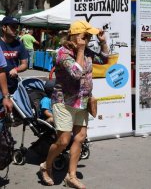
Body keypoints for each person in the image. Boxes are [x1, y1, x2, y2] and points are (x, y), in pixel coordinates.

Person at [40, 20, 108, 188]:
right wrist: (81, 49)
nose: (90, 38)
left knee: (80, 138)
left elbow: (104, 58)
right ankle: (46, 166)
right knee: (63, 141)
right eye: (87, 35)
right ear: (77, 36)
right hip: (64, 101)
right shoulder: (63, 53)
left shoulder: (86, 51)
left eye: (91, 36)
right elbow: (76, 73)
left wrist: (103, 42)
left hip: (82, 101)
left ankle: (71, 176)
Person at [0, 16, 29, 95]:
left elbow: (24, 64)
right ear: (4, 28)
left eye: (17, 27)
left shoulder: (19, 44)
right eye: (13, 27)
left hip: (13, 86)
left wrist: (16, 69)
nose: (16, 30)